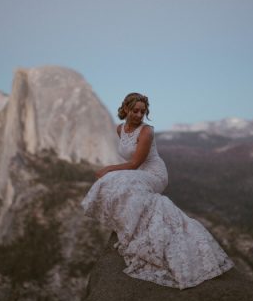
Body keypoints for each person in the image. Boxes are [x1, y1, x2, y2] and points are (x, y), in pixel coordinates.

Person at [81, 92, 235, 290]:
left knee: (114, 179)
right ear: (126, 109)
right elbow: (131, 162)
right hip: (138, 172)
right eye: (135, 110)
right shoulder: (120, 129)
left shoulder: (147, 131)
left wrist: (108, 169)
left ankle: (139, 229)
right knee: (114, 183)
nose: (138, 115)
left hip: (154, 173)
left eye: (143, 112)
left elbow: (136, 162)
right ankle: (126, 222)